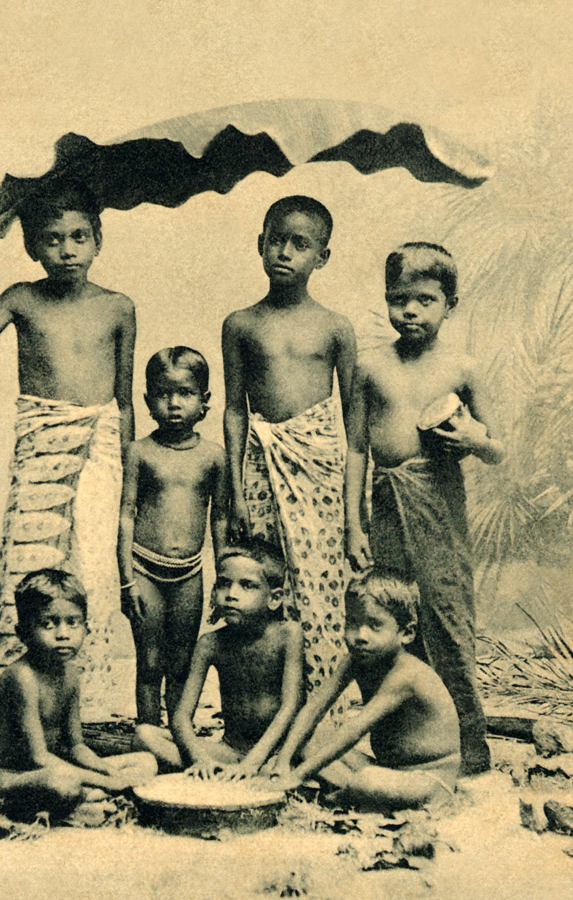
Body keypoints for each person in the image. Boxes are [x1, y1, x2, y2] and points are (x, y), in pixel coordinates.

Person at [0, 180, 136, 720]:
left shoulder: (119, 308)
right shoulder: (22, 298)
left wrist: (129, 487)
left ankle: (84, 711)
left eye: (79, 237)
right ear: (31, 247)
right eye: (52, 239)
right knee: (26, 577)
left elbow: (124, 403)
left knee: (94, 571)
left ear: (98, 240)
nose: (67, 250)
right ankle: (15, 707)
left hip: (102, 450)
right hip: (40, 449)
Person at [344, 242, 505, 775]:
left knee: (447, 618)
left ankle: (469, 752)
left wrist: (474, 439)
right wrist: (352, 524)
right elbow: (356, 449)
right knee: (390, 615)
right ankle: (403, 744)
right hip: (386, 505)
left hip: (439, 503)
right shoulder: (370, 367)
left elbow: (497, 449)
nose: (410, 311)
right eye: (398, 299)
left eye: (425, 300)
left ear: (450, 303)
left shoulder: (462, 366)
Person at [222, 195, 356, 716]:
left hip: (319, 469)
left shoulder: (335, 328)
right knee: (266, 582)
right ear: (260, 244)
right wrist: (236, 490)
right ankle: (261, 713)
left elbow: (354, 425)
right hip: (261, 466)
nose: (286, 252)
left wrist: (351, 512)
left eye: (301, 244)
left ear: (322, 257)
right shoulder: (241, 324)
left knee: (321, 589)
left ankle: (323, 716)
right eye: (276, 240)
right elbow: (235, 410)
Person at [0, 570, 156, 822]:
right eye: (48, 624)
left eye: (73, 622)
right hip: (7, 780)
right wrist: (111, 782)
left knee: (146, 761)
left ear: (86, 627)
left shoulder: (70, 674)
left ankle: (90, 796)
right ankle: (87, 801)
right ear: (23, 632)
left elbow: (76, 746)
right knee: (65, 782)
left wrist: (109, 772)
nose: (63, 633)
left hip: (49, 767)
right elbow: (38, 758)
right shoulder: (22, 677)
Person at [272, 569, 461, 811]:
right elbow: (314, 708)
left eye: (374, 625)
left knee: (367, 781)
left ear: (406, 633)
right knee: (313, 739)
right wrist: (282, 762)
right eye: (353, 623)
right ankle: (351, 793)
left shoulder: (406, 675)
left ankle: (341, 797)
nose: (360, 635)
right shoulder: (355, 659)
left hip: (428, 780)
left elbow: (353, 730)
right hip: (388, 768)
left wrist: (296, 776)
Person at [117, 347, 228, 726]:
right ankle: (149, 735)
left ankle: (179, 738)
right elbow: (125, 517)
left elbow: (220, 520)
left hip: (189, 574)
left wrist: (223, 580)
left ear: (205, 401)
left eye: (185, 393)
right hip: (144, 570)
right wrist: (126, 580)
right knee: (149, 662)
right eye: (163, 394)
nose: (174, 403)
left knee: (181, 663)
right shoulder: (139, 452)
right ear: (148, 401)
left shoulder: (214, 457)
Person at [133, 539, 304, 779]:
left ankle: (251, 772)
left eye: (247, 586)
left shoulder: (288, 635)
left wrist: (254, 762)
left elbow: (290, 707)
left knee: (286, 762)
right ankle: (218, 772)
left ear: (274, 598)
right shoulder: (210, 643)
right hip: (230, 751)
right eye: (224, 584)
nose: (231, 595)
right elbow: (181, 717)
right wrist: (200, 759)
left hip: (275, 752)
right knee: (145, 736)